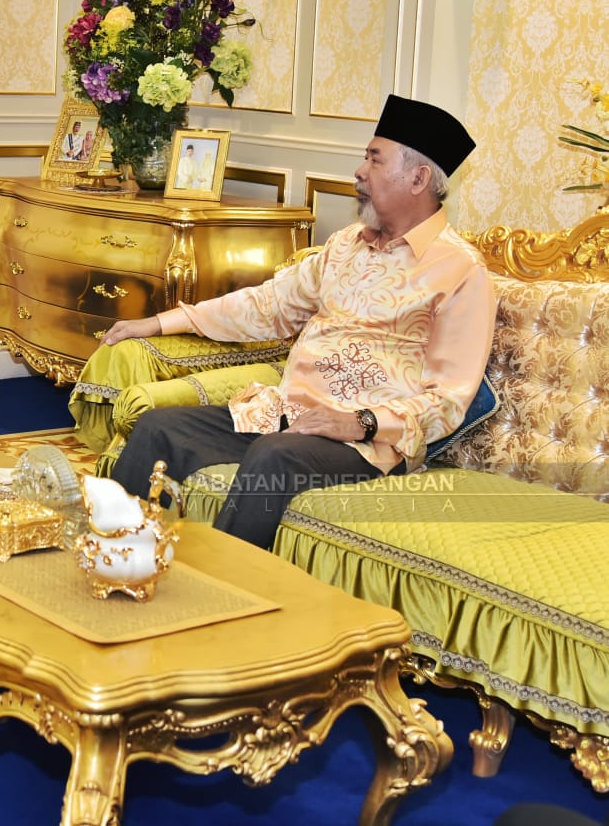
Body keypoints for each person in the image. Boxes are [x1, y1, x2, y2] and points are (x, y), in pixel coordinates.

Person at [99, 95, 495, 550]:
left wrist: (362, 422)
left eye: (374, 159)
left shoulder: (461, 270)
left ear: (418, 178)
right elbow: (267, 306)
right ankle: (114, 559)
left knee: (275, 456)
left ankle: (223, 589)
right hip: (289, 417)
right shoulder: (346, 244)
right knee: (158, 428)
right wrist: (163, 322)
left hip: (366, 445)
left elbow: (448, 400)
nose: (359, 172)